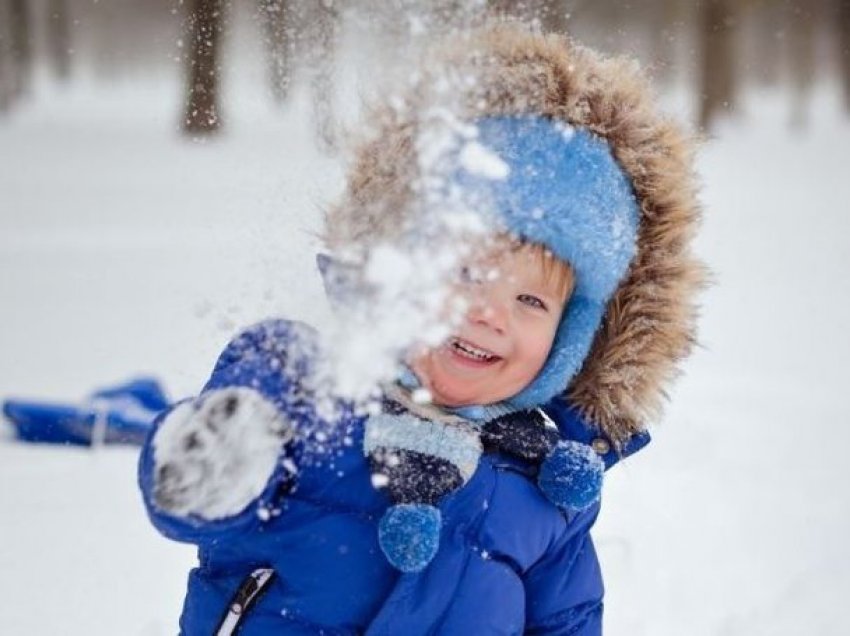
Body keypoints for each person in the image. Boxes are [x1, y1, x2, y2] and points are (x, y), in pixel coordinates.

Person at [138, 22, 703, 635]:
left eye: (530, 302)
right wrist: (219, 454)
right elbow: (194, 504)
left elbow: (565, 621)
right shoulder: (308, 393)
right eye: (465, 273)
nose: (490, 314)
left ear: (570, 343)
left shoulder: (549, 493)